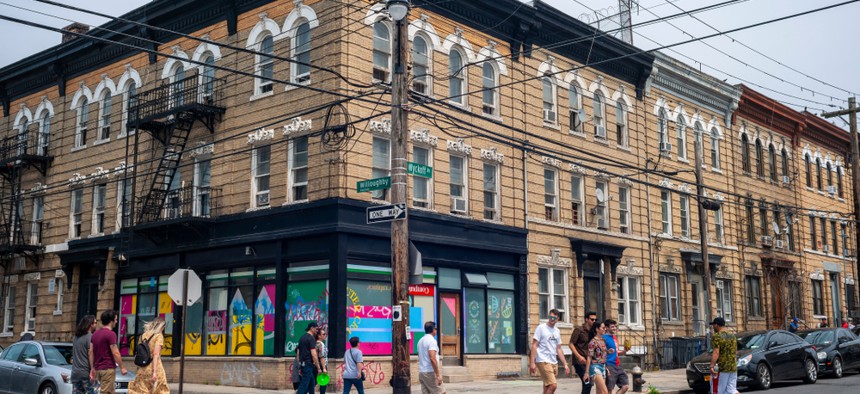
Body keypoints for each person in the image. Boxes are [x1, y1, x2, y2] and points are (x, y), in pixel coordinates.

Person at [529, 308, 570, 394]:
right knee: (553, 385)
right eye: (550, 317)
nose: (552, 319)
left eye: (554, 318)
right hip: (543, 360)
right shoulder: (541, 328)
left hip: (553, 361)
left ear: (558, 319)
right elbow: (534, 345)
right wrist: (532, 363)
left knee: (547, 386)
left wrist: (565, 364)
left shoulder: (557, 331)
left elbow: (558, 348)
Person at [128, 317, 168, 394]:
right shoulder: (158, 336)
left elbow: (139, 353)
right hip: (154, 368)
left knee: (142, 391)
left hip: (142, 369)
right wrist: (154, 372)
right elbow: (156, 354)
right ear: (161, 327)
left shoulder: (143, 336)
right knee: (161, 390)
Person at [92, 310, 127, 394]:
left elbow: (91, 351)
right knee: (105, 392)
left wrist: (92, 367)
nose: (116, 321)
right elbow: (115, 352)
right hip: (107, 368)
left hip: (98, 368)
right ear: (111, 321)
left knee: (111, 391)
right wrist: (122, 367)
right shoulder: (111, 334)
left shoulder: (95, 334)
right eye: (116, 319)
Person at [570, 311, 597, 394]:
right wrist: (579, 356)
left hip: (589, 361)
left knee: (589, 383)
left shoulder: (593, 332)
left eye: (595, 320)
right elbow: (571, 344)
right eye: (592, 319)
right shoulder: (579, 330)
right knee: (587, 382)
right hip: (579, 361)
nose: (594, 322)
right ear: (586, 319)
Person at [709, 318, 738, 394]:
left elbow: (716, 352)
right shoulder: (732, 336)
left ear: (716, 325)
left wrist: (712, 366)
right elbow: (735, 351)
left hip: (720, 367)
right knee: (732, 390)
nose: (713, 327)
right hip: (733, 367)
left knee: (717, 390)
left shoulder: (717, 336)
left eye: (713, 325)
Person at [71, 315, 98, 394]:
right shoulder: (90, 337)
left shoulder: (75, 337)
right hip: (85, 373)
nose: (96, 325)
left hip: (75, 373)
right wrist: (92, 369)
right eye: (95, 323)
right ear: (90, 324)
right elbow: (90, 352)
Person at [418, 321, 445, 394]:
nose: (436, 330)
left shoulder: (420, 341)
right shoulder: (432, 341)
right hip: (430, 372)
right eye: (435, 329)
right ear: (433, 330)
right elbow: (432, 359)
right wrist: (438, 375)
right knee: (441, 392)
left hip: (421, 372)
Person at [603, 319, 629, 394]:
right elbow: (600, 352)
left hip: (618, 365)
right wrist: (605, 367)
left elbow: (616, 352)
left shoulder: (614, 337)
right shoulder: (603, 338)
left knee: (625, 386)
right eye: (612, 327)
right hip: (609, 365)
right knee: (609, 388)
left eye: (615, 326)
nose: (614, 328)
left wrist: (624, 351)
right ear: (607, 328)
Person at [584, 321, 609, 394]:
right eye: (603, 328)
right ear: (597, 329)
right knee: (605, 392)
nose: (605, 329)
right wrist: (587, 372)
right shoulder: (593, 342)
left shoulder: (603, 340)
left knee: (600, 392)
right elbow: (589, 357)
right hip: (595, 367)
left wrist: (608, 351)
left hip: (603, 366)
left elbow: (601, 354)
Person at [297, 322, 321, 394]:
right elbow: (314, 354)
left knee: (311, 382)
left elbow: (298, 352)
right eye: (316, 329)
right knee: (304, 384)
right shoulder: (311, 338)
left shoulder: (302, 338)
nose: (317, 331)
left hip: (303, 363)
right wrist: (318, 367)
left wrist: (299, 364)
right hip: (308, 364)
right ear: (311, 328)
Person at [315, 328, 329, 394]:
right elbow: (322, 357)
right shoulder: (321, 344)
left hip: (316, 364)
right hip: (322, 365)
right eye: (323, 334)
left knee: (313, 382)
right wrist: (324, 368)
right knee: (323, 382)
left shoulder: (315, 343)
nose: (325, 335)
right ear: (319, 336)